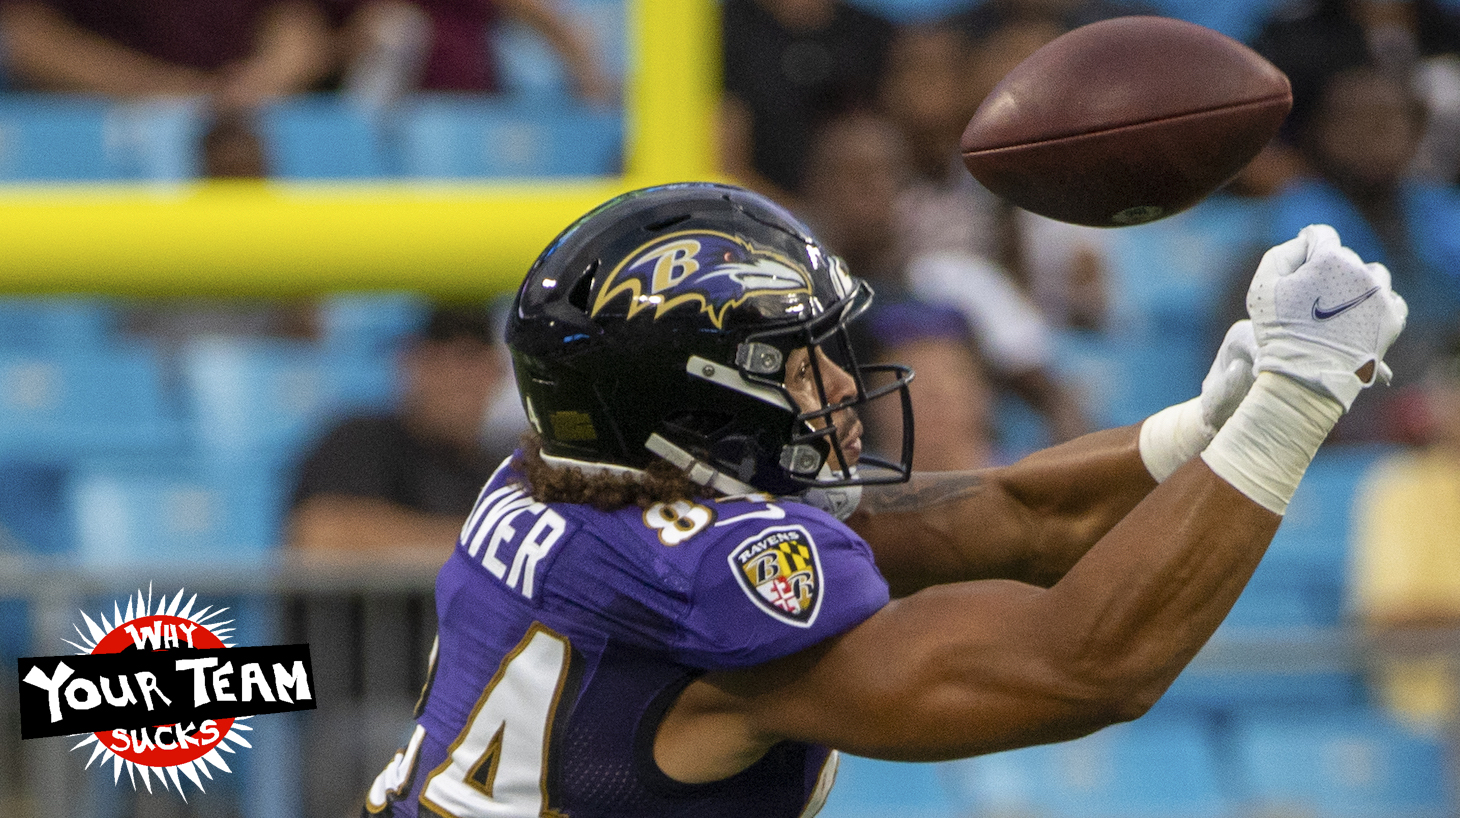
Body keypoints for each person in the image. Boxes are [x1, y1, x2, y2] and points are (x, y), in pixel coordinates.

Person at [360, 182, 1405, 817]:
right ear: (681, 395)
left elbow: (1005, 518)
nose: (839, 385)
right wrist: (1293, 402)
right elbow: (1078, 667)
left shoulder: (567, 476)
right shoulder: (707, 574)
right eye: (795, 361)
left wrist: (1199, 424)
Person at [286, 302, 516, 561]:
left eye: (470, 359)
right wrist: (478, 544)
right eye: (438, 360)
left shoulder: (501, 468)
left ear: (496, 371)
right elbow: (321, 535)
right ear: (410, 362)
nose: (456, 378)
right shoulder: (360, 438)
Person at [0, 0, 334, 112]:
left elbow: (299, 23)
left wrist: (259, 82)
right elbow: (25, 34)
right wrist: (161, 91)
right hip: (89, 145)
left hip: (245, 130)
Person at [718, 0, 895, 208]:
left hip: (865, 217)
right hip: (764, 213)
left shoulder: (872, 34)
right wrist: (797, 221)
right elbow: (726, 161)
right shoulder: (727, 30)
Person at [332, 0, 612, 108]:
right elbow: (308, 53)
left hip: (471, 115)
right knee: (396, 30)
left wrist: (589, 82)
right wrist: (353, 41)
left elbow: (552, 24)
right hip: (381, 117)